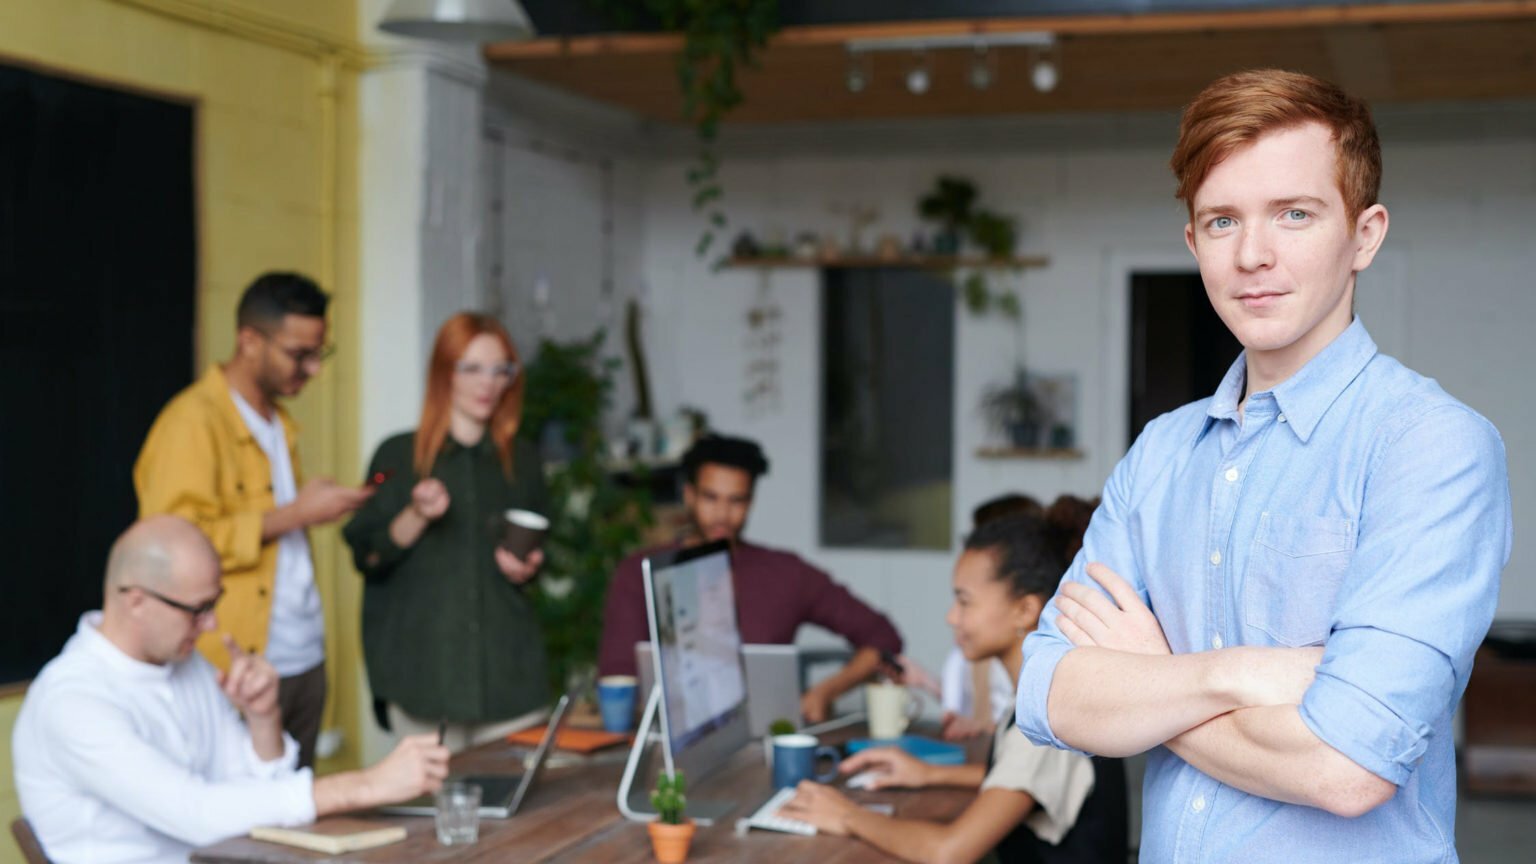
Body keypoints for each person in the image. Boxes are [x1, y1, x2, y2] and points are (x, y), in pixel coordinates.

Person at [1016, 69, 1512, 863]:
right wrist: (1240, 675)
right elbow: (1049, 694)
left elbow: (1347, 769)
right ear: (1192, 242)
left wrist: (1154, 679)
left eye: (1294, 214)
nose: (1253, 254)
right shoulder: (1162, 454)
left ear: (1365, 234)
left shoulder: (1430, 446)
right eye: (1221, 221)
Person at [11, 516, 450, 864]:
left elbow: (257, 793)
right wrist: (367, 785)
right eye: (197, 610)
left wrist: (263, 719)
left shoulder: (186, 665)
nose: (212, 626)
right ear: (136, 601)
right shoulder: (72, 702)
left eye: (213, 604)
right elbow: (197, 814)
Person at [781, 513, 1127, 864]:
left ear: (1024, 610)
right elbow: (1022, 778)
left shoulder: (1049, 716)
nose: (951, 617)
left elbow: (949, 852)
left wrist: (845, 815)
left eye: (964, 601)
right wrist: (927, 773)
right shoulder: (1045, 689)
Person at [133, 272, 370, 767]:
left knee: (293, 816)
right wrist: (295, 514)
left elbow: (271, 522)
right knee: (243, 825)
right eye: (298, 354)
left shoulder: (279, 423)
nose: (311, 370)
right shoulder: (192, 422)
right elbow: (169, 551)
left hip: (303, 654)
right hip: (237, 663)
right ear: (249, 341)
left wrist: (306, 507)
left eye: (317, 354)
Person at [344, 313, 550, 752]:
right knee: (435, 817)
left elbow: (538, 554)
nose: (488, 384)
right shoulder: (398, 456)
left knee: (521, 818)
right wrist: (416, 514)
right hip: (424, 680)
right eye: (471, 368)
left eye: (501, 370)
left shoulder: (524, 460)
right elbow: (367, 556)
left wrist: (527, 566)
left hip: (508, 677)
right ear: (444, 373)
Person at [597, 433, 902, 722]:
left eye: (736, 501)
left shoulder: (786, 573)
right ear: (689, 496)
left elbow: (882, 635)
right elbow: (618, 676)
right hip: (668, 746)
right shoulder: (641, 571)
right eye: (710, 498)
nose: (722, 514)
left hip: (759, 741)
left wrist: (826, 692)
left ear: (751, 502)